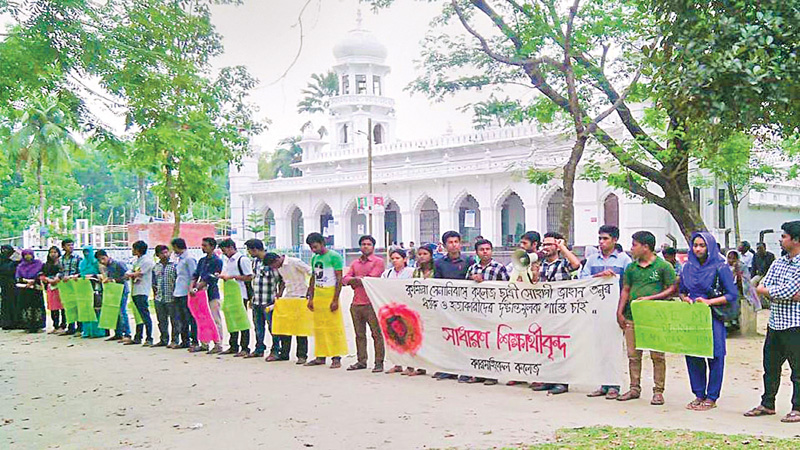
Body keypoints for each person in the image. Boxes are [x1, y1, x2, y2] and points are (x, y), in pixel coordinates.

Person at [745, 220, 800, 423]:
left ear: (796, 240)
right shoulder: (778, 262)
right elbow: (762, 286)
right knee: (770, 366)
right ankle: (768, 404)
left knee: (798, 369)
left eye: (784, 236)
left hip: (795, 324)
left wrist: (772, 291)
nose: (780, 239)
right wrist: (775, 292)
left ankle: (798, 407)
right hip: (775, 322)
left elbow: (784, 290)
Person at [615, 231, 677, 405]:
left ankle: (658, 391)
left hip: (654, 318)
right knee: (633, 355)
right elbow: (626, 290)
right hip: (632, 316)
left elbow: (672, 288)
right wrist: (620, 311)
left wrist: (651, 298)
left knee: (657, 355)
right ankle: (634, 387)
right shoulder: (631, 268)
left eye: (634, 245)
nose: (631, 248)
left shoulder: (663, 266)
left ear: (646, 247)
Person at [679, 232, 737, 411]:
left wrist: (709, 302)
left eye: (702, 246)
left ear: (710, 247)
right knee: (693, 354)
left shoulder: (721, 267)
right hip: (693, 317)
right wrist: (686, 299)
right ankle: (698, 394)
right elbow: (681, 290)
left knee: (715, 355)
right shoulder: (687, 267)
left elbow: (732, 294)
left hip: (713, 316)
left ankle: (712, 397)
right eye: (695, 245)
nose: (698, 249)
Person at [581, 225, 633, 400]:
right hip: (596, 309)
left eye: (605, 239)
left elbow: (628, 284)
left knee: (614, 347)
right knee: (599, 347)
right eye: (600, 239)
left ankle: (614, 385)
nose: (602, 242)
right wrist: (600, 277)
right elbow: (582, 279)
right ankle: (603, 383)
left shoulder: (624, 260)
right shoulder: (592, 260)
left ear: (615, 240)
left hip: (616, 309)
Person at [530, 232, 581, 395]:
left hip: (562, 312)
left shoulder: (563, 264)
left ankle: (562, 381)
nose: (545, 248)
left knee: (561, 347)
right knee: (547, 346)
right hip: (545, 312)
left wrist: (563, 248)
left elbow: (576, 264)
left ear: (556, 246)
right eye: (543, 245)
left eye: (549, 244)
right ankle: (549, 379)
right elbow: (535, 283)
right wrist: (535, 270)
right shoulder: (542, 264)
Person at [465, 238, 510, 386]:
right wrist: (473, 279)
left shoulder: (499, 268)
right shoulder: (472, 269)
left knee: (492, 344)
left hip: (494, 311)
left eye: (488, 249)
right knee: (478, 343)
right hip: (476, 311)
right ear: (476, 252)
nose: (485, 252)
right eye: (482, 250)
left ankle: (493, 374)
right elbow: (463, 287)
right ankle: (479, 373)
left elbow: (506, 288)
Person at [433, 231, 475, 381]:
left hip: (465, 306)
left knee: (465, 338)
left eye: (456, 241)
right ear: (444, 246)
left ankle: (466, 369)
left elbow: (473, 278)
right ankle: (449, 369)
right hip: (447, 307)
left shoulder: (469, 261)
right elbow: (436, 283)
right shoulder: (439, 263)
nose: (453, 245)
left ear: (460, 243)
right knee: (448, 338)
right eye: (450, 242)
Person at [343, 235, 386, 373]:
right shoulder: (355, 263)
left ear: (373, 247)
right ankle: (361, 360)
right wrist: (358, 279)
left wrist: (354, 280)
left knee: (376, 334)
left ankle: (379, 362)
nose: (365, 246)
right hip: (356, 303)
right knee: (359, 334)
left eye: (368, 244)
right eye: (363, 244)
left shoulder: (378, 262)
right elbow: (345, 279)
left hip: (371, 303)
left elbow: (371, 279)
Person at [304, 232, 345, 369]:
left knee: (333, 327)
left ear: (322, 243)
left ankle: (336, 357)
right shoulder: (314, 258)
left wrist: (335, 299)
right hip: (318, 295)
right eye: (311, 247)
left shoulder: (334, 257)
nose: (313, 250)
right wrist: (311, 296)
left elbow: (339, 278)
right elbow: (313, 277)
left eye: (315, 246)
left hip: (330, 294)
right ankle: (320, 355)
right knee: (319, 328)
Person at [265, 250, 312, 363]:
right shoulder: (280, 268)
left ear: (277, 260)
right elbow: (283, 281)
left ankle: (302, 355)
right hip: (288, 297)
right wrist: (280, 293)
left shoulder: (294, 262)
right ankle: (284, 353)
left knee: (300, 328)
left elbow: (311, 273)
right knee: (285, 326)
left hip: (301, 296)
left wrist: (310, 291)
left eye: (274, 266)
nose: (275, 268)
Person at [218, 239, 253, 357]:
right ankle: (233, 345)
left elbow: (249, 277)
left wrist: (233, 277)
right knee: (231, 319)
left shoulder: (242, 260)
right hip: (230, 295)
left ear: (230, 247)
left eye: (224, 250)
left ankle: (245, 347)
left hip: (241, 294)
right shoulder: (228, 261)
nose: (223, 253)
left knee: (242, 321)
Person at [382, 248, 415, 375]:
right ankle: (397, 364)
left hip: (408, 308)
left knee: (409, 336)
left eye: (398, 258)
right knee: (395, 336)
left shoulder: (411, 272)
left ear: (404, 260)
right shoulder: (387, 273)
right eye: (393, 258)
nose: (395, 261)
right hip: (392, 308)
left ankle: (411, 365)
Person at [190, 237, 224, 354]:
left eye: (205, 245)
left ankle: (218, 343)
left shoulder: (217, 261)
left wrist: (196, 287)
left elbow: (210, 278)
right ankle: (204, 342)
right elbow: (195, 275)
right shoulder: (202, 261)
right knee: (202, 318)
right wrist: (192, 287)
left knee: (215, 319)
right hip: (200, 293)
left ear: (212, 247)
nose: (202, 247)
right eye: (202, 245)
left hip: (211, 293)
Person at [244, 239, 273, 359]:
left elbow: (280, 279)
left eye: (249, 250)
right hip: (257, 299)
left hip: (268, 299)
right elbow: (253, 280)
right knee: (258, 326)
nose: (249, 253)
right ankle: (259, 348)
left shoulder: (270, 260)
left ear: (255, 249)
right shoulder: (254, 262)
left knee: (272, 327)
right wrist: (252, 297)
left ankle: (276, 349)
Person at [96, 249, 131, 342]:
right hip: (112, 291)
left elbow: (126, 276)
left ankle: (127, 333)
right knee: (113, 312)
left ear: (107, 256)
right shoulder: (106, 267)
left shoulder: (118, 264)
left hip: (122, 290)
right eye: (100, 260)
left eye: (103, 259)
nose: (102, 261)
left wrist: (113, 280)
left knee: (122, 312)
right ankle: (118, 333)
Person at [126, 240, 155, 346]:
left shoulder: (147, 261)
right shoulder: (136, 261)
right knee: (137, 314)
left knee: (144, 314)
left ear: (138, 250)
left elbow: (139, 273)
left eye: (133, 248)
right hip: (135, 290)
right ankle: (138, 336)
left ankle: (149, 337)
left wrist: (130, 274)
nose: (132, 251)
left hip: (142, 290)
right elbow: (132, 272)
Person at [171, 237, 197, 350]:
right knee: (181, 318)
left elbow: (194, 275)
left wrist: (192, 289)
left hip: (186, 292)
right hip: (179, 292)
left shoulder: (189, 259)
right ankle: (184, 340)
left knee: (190, 318)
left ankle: (194, 340)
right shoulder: (180, 259)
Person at [153, 245, 179, 348]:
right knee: (161, 320)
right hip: (159, 297)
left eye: (166, 252)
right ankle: (163, 339)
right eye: (162, 253)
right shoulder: (156, 266)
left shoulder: (174, 266)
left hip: (171, 297)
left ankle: (175, 340)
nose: (165, 255)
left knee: (174, 320)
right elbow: (154, 281)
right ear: (157, 255)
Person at [14, 249, 45, 332]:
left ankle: (38, 326)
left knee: (37, 306)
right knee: (26, 307)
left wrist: (34, 280)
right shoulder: (20, 266)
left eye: (30, 254)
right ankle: (27, 326)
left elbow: (41, 274)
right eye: (26, 254)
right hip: (25, 289)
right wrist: (26, 281)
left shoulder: (38, 263)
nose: (28, 256)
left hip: (36, 288)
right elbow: (17, 277)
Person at [57, 239, 82, 335]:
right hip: (65, 285)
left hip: (75, 283)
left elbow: (80, 271)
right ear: (63, 247)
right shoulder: (60, 259)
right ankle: (70, 327)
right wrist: (60, 277)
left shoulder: (78, 258)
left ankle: (79, 328)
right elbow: (60, 271)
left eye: (72, 245)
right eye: (68, 245)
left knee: (78, 304)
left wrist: (72, 276)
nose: (71, 247)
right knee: (68, 305)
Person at [80, 247, 106, 339]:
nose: (86, 254)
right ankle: (87, 331)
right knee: (86, 308)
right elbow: (80, 273)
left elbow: (104, 275)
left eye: (88, 252)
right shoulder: (82, 263)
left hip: (96, 288)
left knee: (97, 309)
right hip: (84, 289)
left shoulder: (97, 263)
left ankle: (98, 331)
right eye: (84, 252)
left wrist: (93, 276)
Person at [41, 246, 66, 333]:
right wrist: (47, 280)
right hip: (51, 287)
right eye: (51, 252)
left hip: (62, 286)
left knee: (63, 307)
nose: (53, 254)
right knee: (53, 307)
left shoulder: (62, 263)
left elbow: (64, 272)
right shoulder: (46, 264)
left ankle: (63, 325)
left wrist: (57, 279)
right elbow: (42, 274)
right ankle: (55, 325)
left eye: (55, 252)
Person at [0, 245, 20, 330]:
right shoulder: (2, 260)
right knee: (6, 304)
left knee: (15, 303)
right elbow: (6, 269)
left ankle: (16, 322)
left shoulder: (17, 260)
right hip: (4, 285)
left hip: (15, 284)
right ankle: (6, 322)